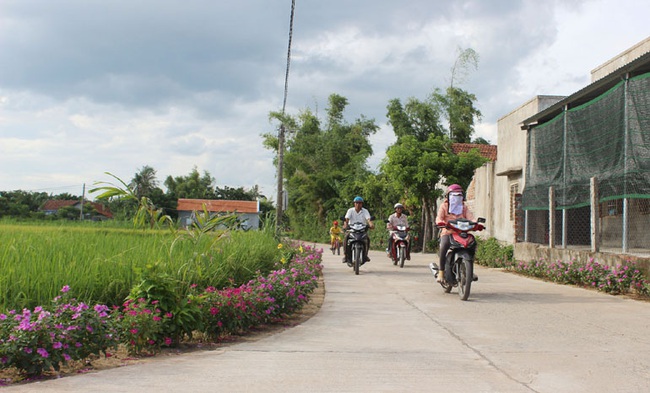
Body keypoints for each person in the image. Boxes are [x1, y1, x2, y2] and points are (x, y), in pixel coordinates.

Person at [435, 184, 477, 283]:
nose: (456, 197)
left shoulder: (463, 207)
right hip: (448, 232)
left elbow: (470, 217)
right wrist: (440, 223)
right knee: (444, 245)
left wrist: (475, 224)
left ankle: (469, 269)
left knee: (472, 244)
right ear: (448, 196)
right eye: (453, 195)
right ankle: (441, 272)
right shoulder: (444, 206)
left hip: (462, 232)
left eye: (459, 195)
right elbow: (439, 218)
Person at [342, 196, 374, 264]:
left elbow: (368, 219)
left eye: (360, 203)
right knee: (346, 238)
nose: (358, 204)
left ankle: (365, 255)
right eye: (356, 203)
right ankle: (345, 255)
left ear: (362, 204)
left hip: (362, 230)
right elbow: (346, 219)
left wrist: (371, 224)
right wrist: (345, 225)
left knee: (367, 239)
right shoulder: (350, 210)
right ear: (354, 203)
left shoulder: (365, 211)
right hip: (351, 229)